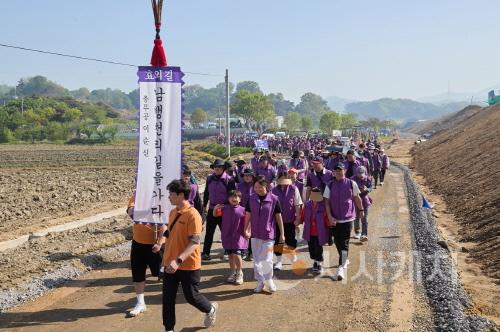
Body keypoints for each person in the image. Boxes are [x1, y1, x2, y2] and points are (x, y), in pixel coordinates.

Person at [162, 179, 218, 331]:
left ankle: (210, 309)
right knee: (167, 299)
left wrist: (178, 260)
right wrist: (159, 242)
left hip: (187, 264)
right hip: (170, 263)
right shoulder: (173, 212)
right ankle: (169, 329)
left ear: (181, 195)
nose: (169, 197)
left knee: (191, 296)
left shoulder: (193, 215)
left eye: (171, 194)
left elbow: (194, 243)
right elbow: (170, 233)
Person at [126, 193, 167, 317]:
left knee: (163, 273)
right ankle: (140, 303)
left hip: (156, 244)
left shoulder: (161, 195)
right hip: (138, 241)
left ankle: (169, 296)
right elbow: (130, 211)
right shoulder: (137, 195)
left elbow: (165, 224)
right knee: (138, 273)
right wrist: (144, 210)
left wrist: (160, 243)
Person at [323, 162, 365, 281]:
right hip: (335, 218)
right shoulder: (330, 185)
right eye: (336, 170)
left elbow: (357, 197)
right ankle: (345, 258)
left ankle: (341, 267)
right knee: (337, 241)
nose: (339, 172)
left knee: (344, 242)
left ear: (344, 171)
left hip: (348, 217)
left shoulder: (352, 183)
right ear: (334, 172)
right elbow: (326, 202)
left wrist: (361, 209)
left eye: (341, 170)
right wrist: (330, 216)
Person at [244, 176, 285, 293]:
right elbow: (248, 214)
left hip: (268, 234)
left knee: (267, 259)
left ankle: (269, 280)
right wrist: (245, 229)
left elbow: (278, 216)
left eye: (260, 187)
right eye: (255, 187)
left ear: (266, 186)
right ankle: (260, 281)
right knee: (257, 261)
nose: (257, 189)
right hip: (255, 233)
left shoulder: (274, 199)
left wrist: (282, 233)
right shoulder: (251, 198)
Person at [202, 159, 236, 261]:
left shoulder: (230, 180)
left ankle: (227, 251)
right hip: (212, 209)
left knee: (225, 232)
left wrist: (230, 209)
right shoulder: (209, 179)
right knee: (209, 232)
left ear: (223, 169)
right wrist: (204, 206)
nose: (217, 169)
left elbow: (232, 196)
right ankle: (206, 253)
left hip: (224, 209)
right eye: (215, 167)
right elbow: (206, 192)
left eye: (219, 167)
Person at [214, 190, 248, 285]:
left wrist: (247, 232)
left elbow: (248, 222)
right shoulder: (224, 208)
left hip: (238, 236)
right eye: (232, 197)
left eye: (237, 197)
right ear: (228, 199)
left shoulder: (243, 210)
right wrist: (215, 208)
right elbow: (215, 215)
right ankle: (233, 272)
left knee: (237, 254)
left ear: (240, 199)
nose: (234, 199)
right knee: (230, 255)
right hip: (227, 235)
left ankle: (239, 272)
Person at [271, 172, 303, 270]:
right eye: (281, 178)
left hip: (290, 220)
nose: (283, 181)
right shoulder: (273, 190)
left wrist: (298, 218)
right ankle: (278, 261)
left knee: (290, 239)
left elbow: (297, 204)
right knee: (278, 241)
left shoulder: (294, 189)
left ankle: (293, 257)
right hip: (276, 221)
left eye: (286, 178)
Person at [298, 187, 330, 274]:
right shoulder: (307, 204)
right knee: (311, 248)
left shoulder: (323, 205)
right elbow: (303, 215)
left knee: (318, 248)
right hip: (309, 231)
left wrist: (330, 225)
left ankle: (318, 263)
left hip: (320, 231)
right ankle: (315, 261)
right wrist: (299, 221)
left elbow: (327, 217)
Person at [237, 168, 255, 261]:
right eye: (245, 175)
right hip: (242, 212)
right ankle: (243, 250)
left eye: (249, 175)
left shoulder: (255, 186)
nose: (247, 177)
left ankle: (251, 252)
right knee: (243, 231)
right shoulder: (239, 186)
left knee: (252, 232)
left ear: (252, 176)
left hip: (253, 212)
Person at [351, 166, 373, 241]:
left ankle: (364, 234)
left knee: (364, 218)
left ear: (365, 172)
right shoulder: (352, 179)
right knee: (356, 217)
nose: (360, 175)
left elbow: (371, 188)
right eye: (359, 174)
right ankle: (357, 232)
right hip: (355, 200)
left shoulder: (368, 179)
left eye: (362, 174)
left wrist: (367, 189)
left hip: (364, 200)